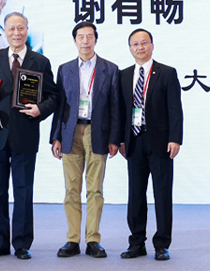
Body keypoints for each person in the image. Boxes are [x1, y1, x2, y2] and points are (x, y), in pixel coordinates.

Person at [0, 12, 58, 260]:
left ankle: (21, 243)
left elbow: (54, 96)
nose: (16, 33)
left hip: (25, 134)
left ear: (27, 30)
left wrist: (41, 109)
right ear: (5, 31)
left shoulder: (40, 61)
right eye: (11, 29)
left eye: (21, 28)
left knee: (23, 191)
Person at [50, 21, 120, 258]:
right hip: (70, 134)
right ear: (75, 41)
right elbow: (60, 106)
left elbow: (115, 107)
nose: (85, 41)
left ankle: (92, 239)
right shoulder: (65, 68)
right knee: (71, 189)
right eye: (81, 37)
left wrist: (114, 138)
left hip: (97, 133)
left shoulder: (110, 69)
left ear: (96, 40)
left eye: (90, 37)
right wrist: (55, 137)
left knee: (95, 189)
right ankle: (72, 240)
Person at [118, 28, 183, 261]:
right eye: (135, 44)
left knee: (162, 193)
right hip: (133, 142)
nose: (140, 48)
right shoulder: (123, 75)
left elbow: (175, 109)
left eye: (144, 43)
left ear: (152, 46)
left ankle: (162, 244)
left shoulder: (166, 73)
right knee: (135, 194)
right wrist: (120, 140)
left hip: (161, 142)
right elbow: (120, 112)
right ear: (130, 48)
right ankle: (136, 243)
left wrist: (175, 138)